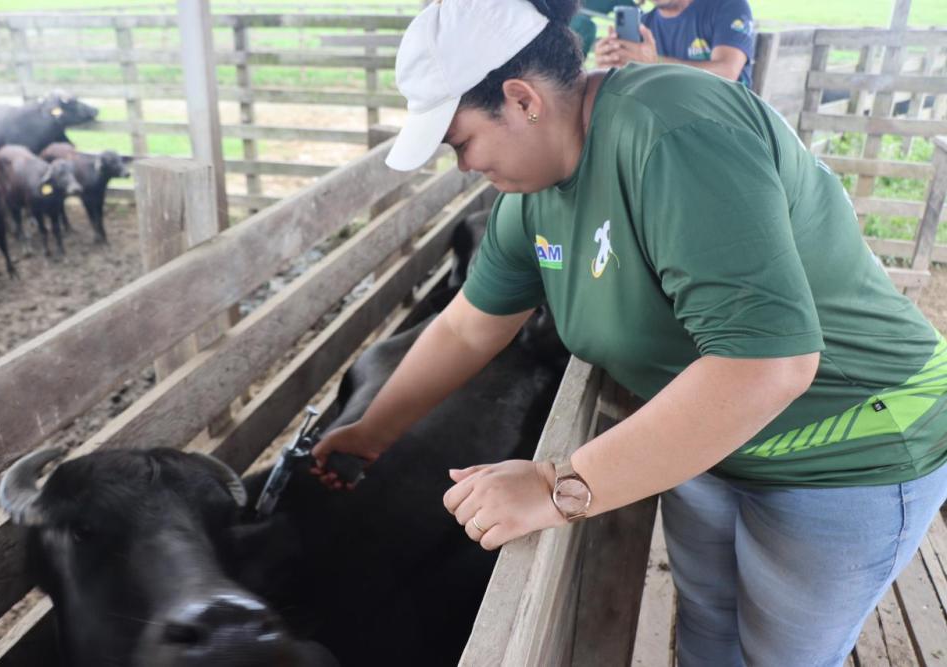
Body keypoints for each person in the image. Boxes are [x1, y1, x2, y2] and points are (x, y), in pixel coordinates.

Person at [311, 0, 947, 665]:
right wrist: (370, 431)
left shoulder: (672, 129)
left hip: (852, 448)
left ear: (521, 99)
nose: (464, 165)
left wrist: (557, 486)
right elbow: (470, 326)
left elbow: (769, 365)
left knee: (780, 655)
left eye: (461, 141)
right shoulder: (530, 199)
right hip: (710, 444)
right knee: (707, 630)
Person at [594, 0, 755, 86]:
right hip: (670, 125)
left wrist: (654, 62)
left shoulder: (729, 5)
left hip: (724, 123)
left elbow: (727, 73)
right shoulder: (644, 25)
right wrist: (609, 69)